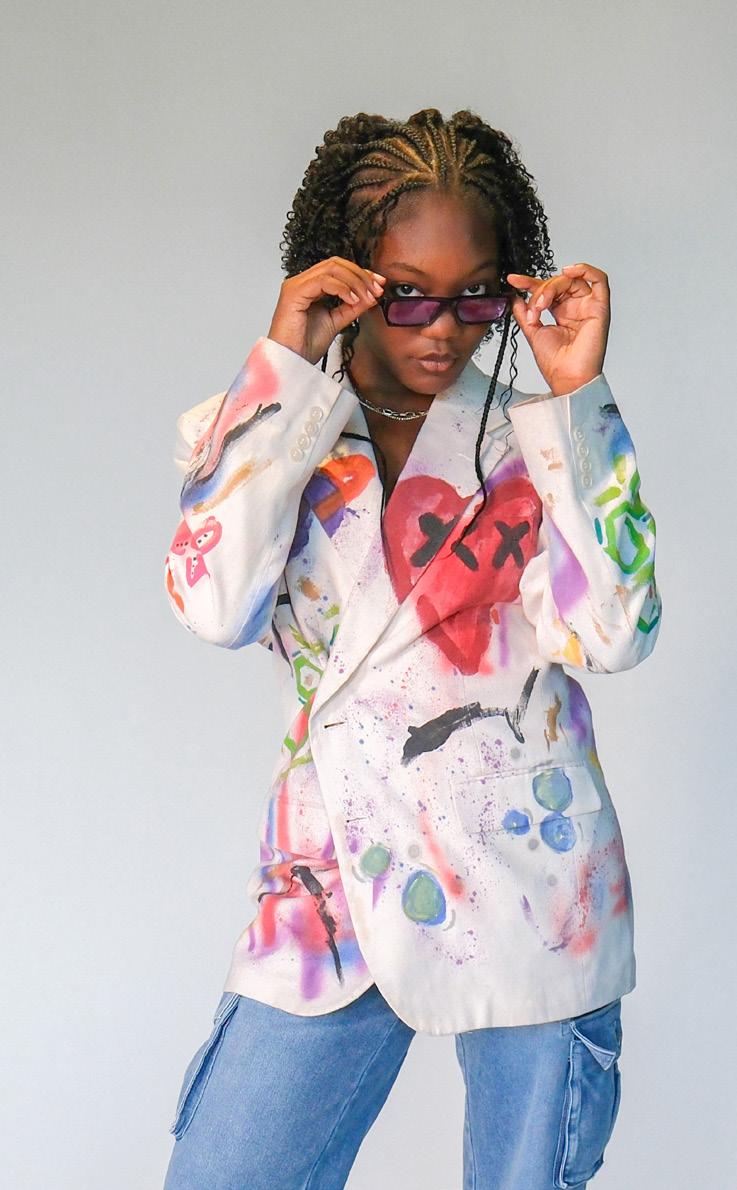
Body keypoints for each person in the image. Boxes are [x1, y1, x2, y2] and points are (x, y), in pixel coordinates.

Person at [162, 108, 661, 1189]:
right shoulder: (265, 423)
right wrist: (284, 363)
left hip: (533, 878)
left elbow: (616, 632)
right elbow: (212, 606)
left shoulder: (537, 440)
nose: (443, 329)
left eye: (475, 296)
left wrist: (575, 398)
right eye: (406, 294)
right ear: (346, 278)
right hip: (332, 881)